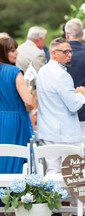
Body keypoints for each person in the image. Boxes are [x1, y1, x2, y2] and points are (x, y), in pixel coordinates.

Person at [36, 38, 85, 174]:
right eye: (65, 52)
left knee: (52, 170)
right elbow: (74, 105)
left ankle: (53, 196)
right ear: (53, 53)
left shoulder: (42, 71)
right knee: (72, 173)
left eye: (70, 51)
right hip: (65, 133)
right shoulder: (62, 75)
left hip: (47, 130)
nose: (69, 54)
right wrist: (81, 94)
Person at [0, 37, 34, 174]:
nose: (16, 53)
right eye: (12, 51)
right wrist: (30, 91)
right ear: (3, 52)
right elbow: (29, 101)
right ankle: (13, 192)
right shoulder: (15, 72)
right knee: (16, 156)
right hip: (14, 121)